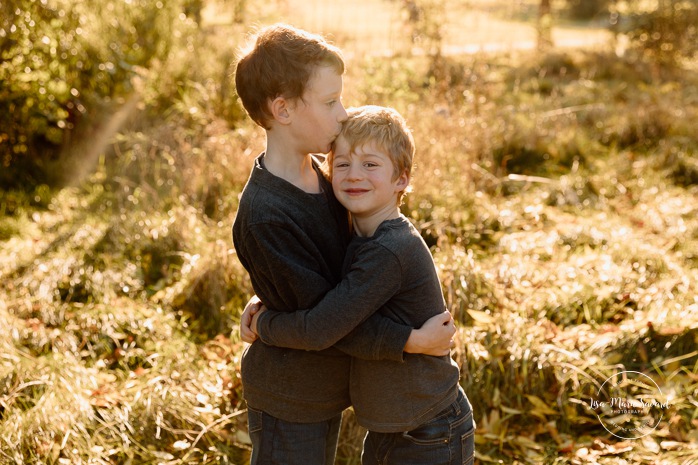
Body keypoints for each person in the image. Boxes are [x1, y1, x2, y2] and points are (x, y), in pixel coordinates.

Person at [232, 24, 455, 465]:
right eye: (331, 101)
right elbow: (324, 324)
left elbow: (332, 282)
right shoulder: (265, 216)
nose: (343, 113)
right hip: (291, 396)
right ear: (283, 109)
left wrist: (269, 300)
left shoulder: (324, 174)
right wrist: (410, 341)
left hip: (328, 385)